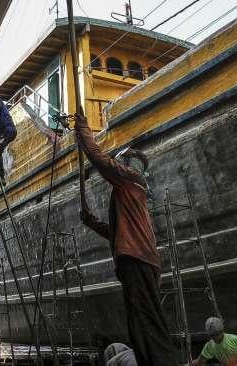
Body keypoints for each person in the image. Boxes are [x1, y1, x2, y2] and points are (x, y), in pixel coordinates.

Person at [74, 114, 175, 365]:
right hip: (141, 260)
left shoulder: (130, 181)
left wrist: (83, 129)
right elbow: (117, 233)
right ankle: (151, 359)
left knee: (143, 317)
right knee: (143, 317)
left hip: (136, 260)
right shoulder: (134, 195)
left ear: (130, 165)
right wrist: (91, 221)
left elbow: (99, 159)